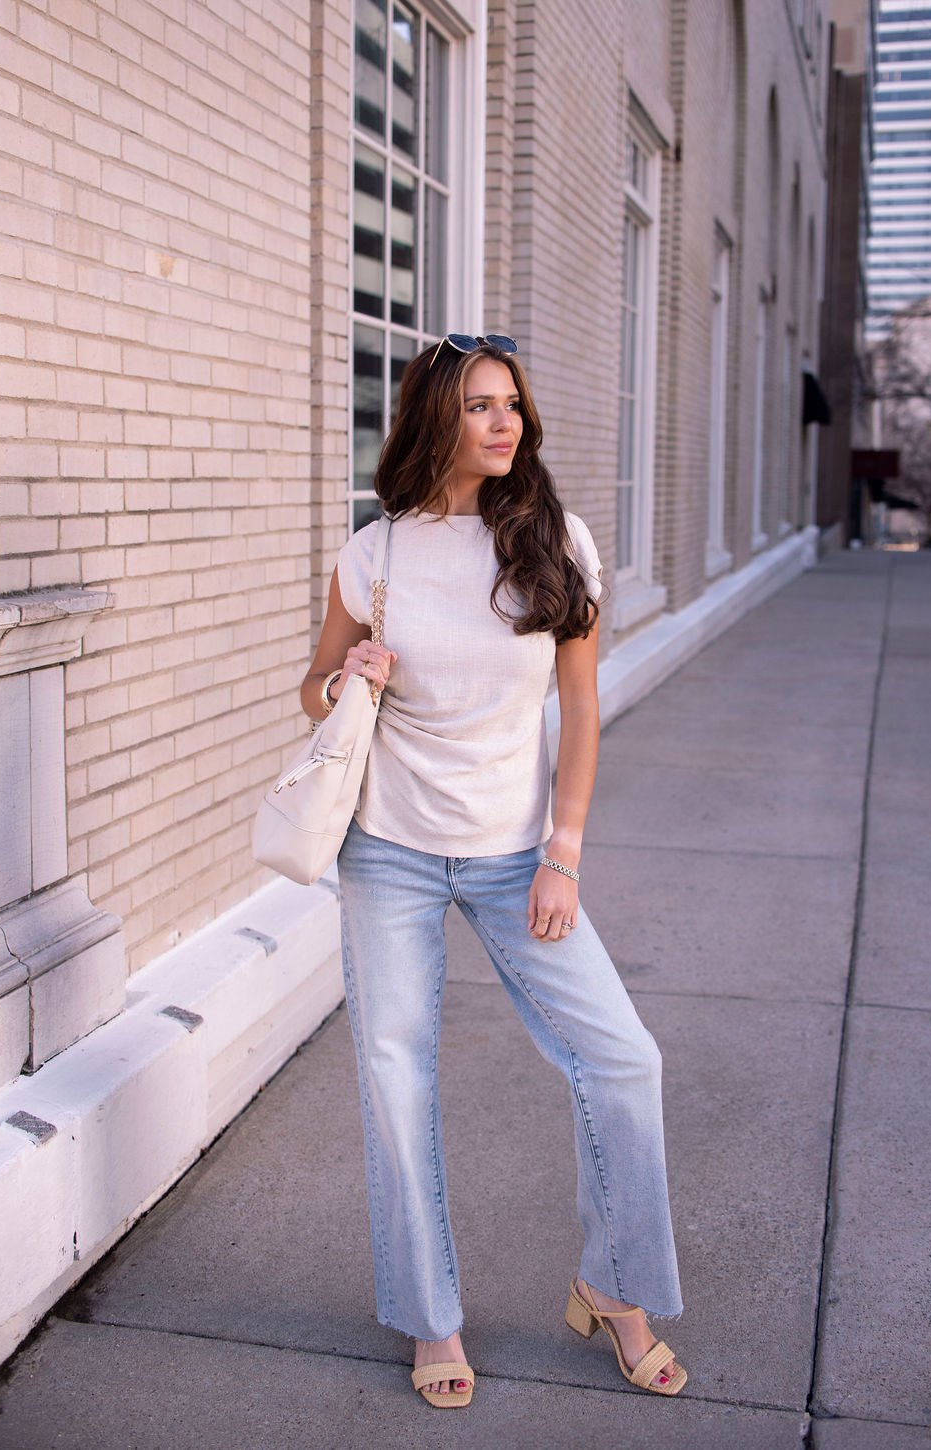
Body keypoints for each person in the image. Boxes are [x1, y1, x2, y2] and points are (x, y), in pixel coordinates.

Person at [300, 333, 685, 1409]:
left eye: (511, 402)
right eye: (478, 405)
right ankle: (431, 1315)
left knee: (622, 1059)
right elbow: (314, 684)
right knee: (396, 1075)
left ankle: (615, 1286)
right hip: (391, 852)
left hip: (518, 855)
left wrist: (562, 855)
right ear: (436, 419)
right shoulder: (375, 553)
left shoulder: (554, 540)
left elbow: (581, 706)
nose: (504, 422)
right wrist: (347, 680)